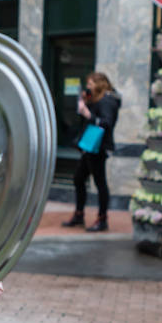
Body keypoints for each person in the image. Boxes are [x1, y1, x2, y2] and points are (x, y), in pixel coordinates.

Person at [63, 71, 121, 232]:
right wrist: (84, 102)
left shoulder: (108, 101)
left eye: (90, 84)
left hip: (99, 147)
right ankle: (79, 215)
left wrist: (88, 113)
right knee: (78, 178)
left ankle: (102, 220)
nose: (88, 87)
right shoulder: (98, 100)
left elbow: (106, 123)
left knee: (100, 183)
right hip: (91, 147)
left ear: (99, 84)